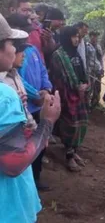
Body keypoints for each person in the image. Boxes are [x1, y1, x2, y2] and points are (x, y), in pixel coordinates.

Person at [0, 13, 61, 223]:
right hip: (8, 209)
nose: (15, 49)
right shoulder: (4, 96)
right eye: (10, 43)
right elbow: (13, 164)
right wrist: (47, 121)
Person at [8, 14, 54, 190]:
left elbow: (43, 71)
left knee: (39, 146)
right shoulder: (12, 59)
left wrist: (47, 89)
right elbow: (19, 80)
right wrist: (36, 94)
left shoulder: (32, 50)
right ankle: (25, 181)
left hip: (38, 106)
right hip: (28, 106)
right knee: (23, 146)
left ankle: (36, 178)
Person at [49, 26, 90, 172]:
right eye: (74, 37)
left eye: (78, 37)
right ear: (67, 37)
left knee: (82, 124)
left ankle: (74, 150)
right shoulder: (58, 55)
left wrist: (85, 85)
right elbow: (62, 78)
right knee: (70, 126)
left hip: (80, 94)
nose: (77, 39)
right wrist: (77, 87)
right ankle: (69, 155)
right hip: (67, 96)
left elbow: (83, 72)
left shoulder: (76, 53)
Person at [87, 31, 105, 109]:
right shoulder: (86, 46)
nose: (95, 38)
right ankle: (87, 104)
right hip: (90, 71)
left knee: (98, 88)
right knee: (89, 88)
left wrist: (102, 69)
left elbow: (100, 59)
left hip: (98, 70)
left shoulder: (98, 47)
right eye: (93, 36)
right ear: (90, 37)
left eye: (96, 36)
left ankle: (95, 103)